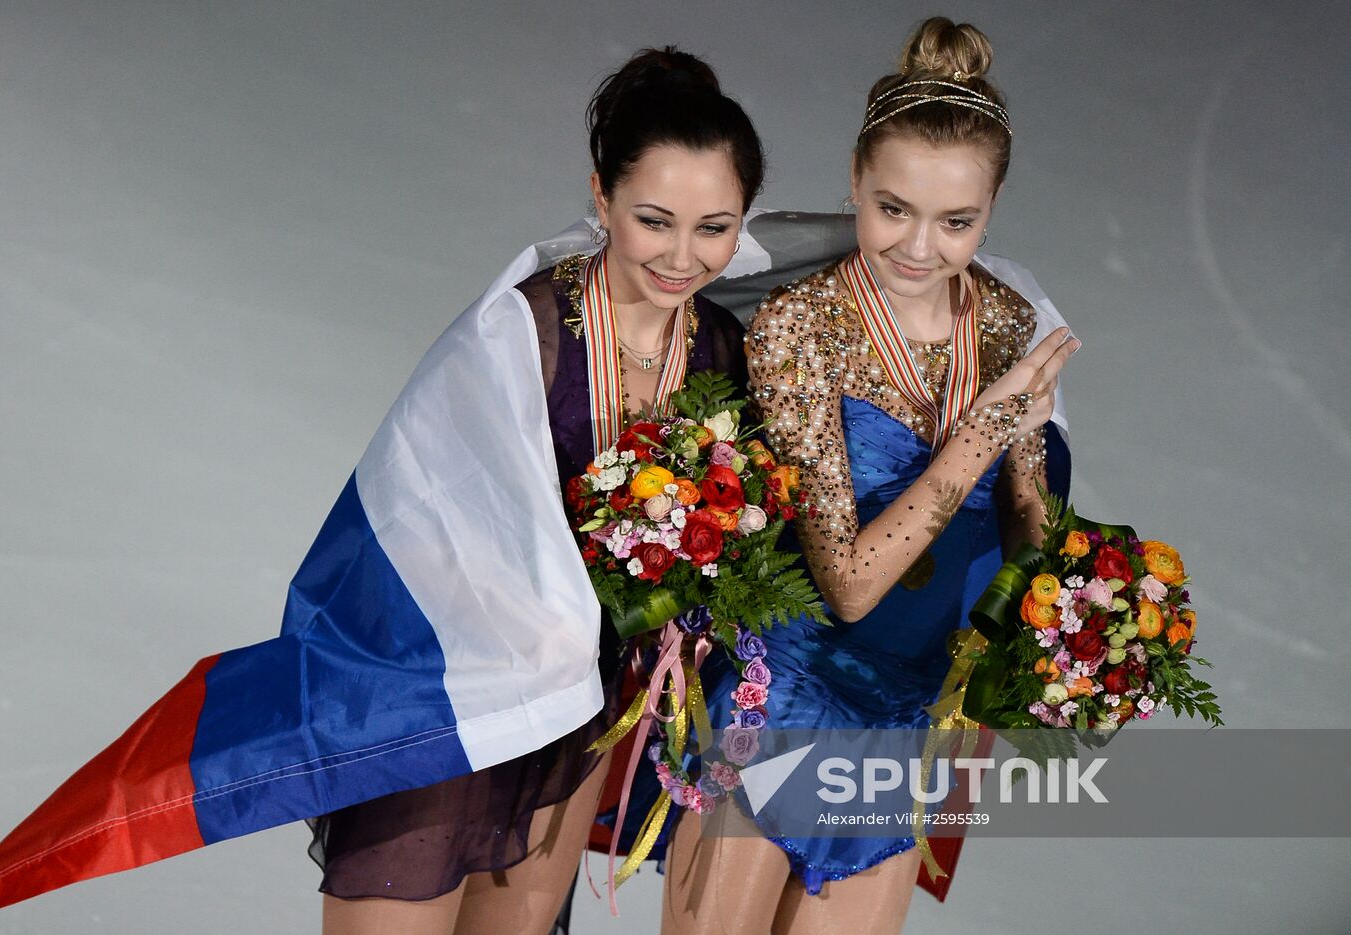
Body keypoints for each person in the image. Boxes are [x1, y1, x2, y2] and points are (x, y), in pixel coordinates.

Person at [314, 48, 763, 935]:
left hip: (571, 714)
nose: (683, 256)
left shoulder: (720, 347)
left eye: (715, 227)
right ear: (599, 198)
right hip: (448, 700)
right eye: (654, 220)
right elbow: (417, 522)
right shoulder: (522, 333)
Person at [662, 17, 1079, 935]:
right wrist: (977, 433)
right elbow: (847, 583)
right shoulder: (799, 328)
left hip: (899, 725)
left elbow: (1024, 513)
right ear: (854, 181)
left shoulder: (1006, 325)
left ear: (993, 210)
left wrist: (1072, 628)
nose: (920, 247)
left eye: (957, 220)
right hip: (784, 696)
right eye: (893, 208)